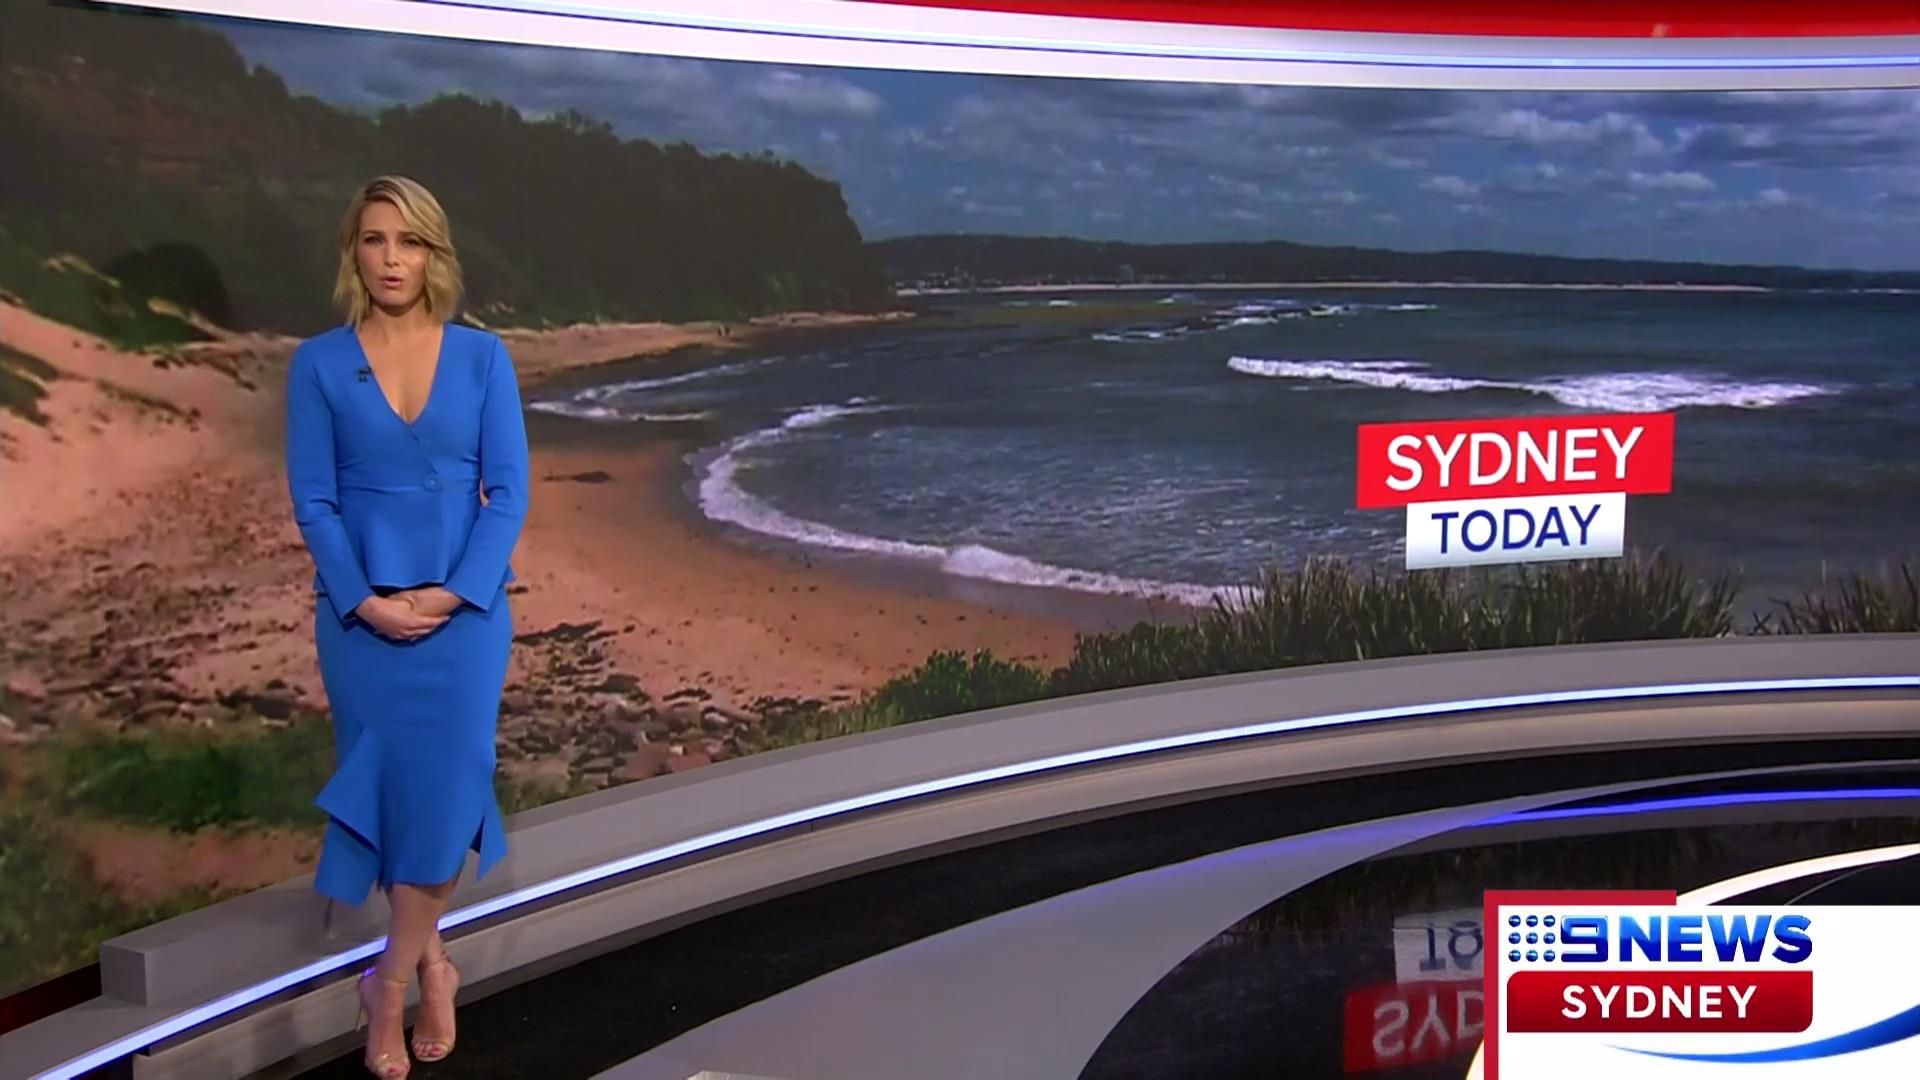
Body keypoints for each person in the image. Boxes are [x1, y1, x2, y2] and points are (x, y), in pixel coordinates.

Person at [284, 175, 529, 1078]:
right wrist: (363, 599)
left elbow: (508, 494)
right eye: (376, 240)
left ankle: (385, 984)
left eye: (411, 241)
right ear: (354, 251)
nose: (393, 259)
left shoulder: (483, 358)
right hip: (360, 624)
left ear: (435, 254)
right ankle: (434, 965)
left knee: (451, 786)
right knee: (393, 796)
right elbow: (314, 501)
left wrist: (455, 594)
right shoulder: (318, 364)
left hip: (465, 620)